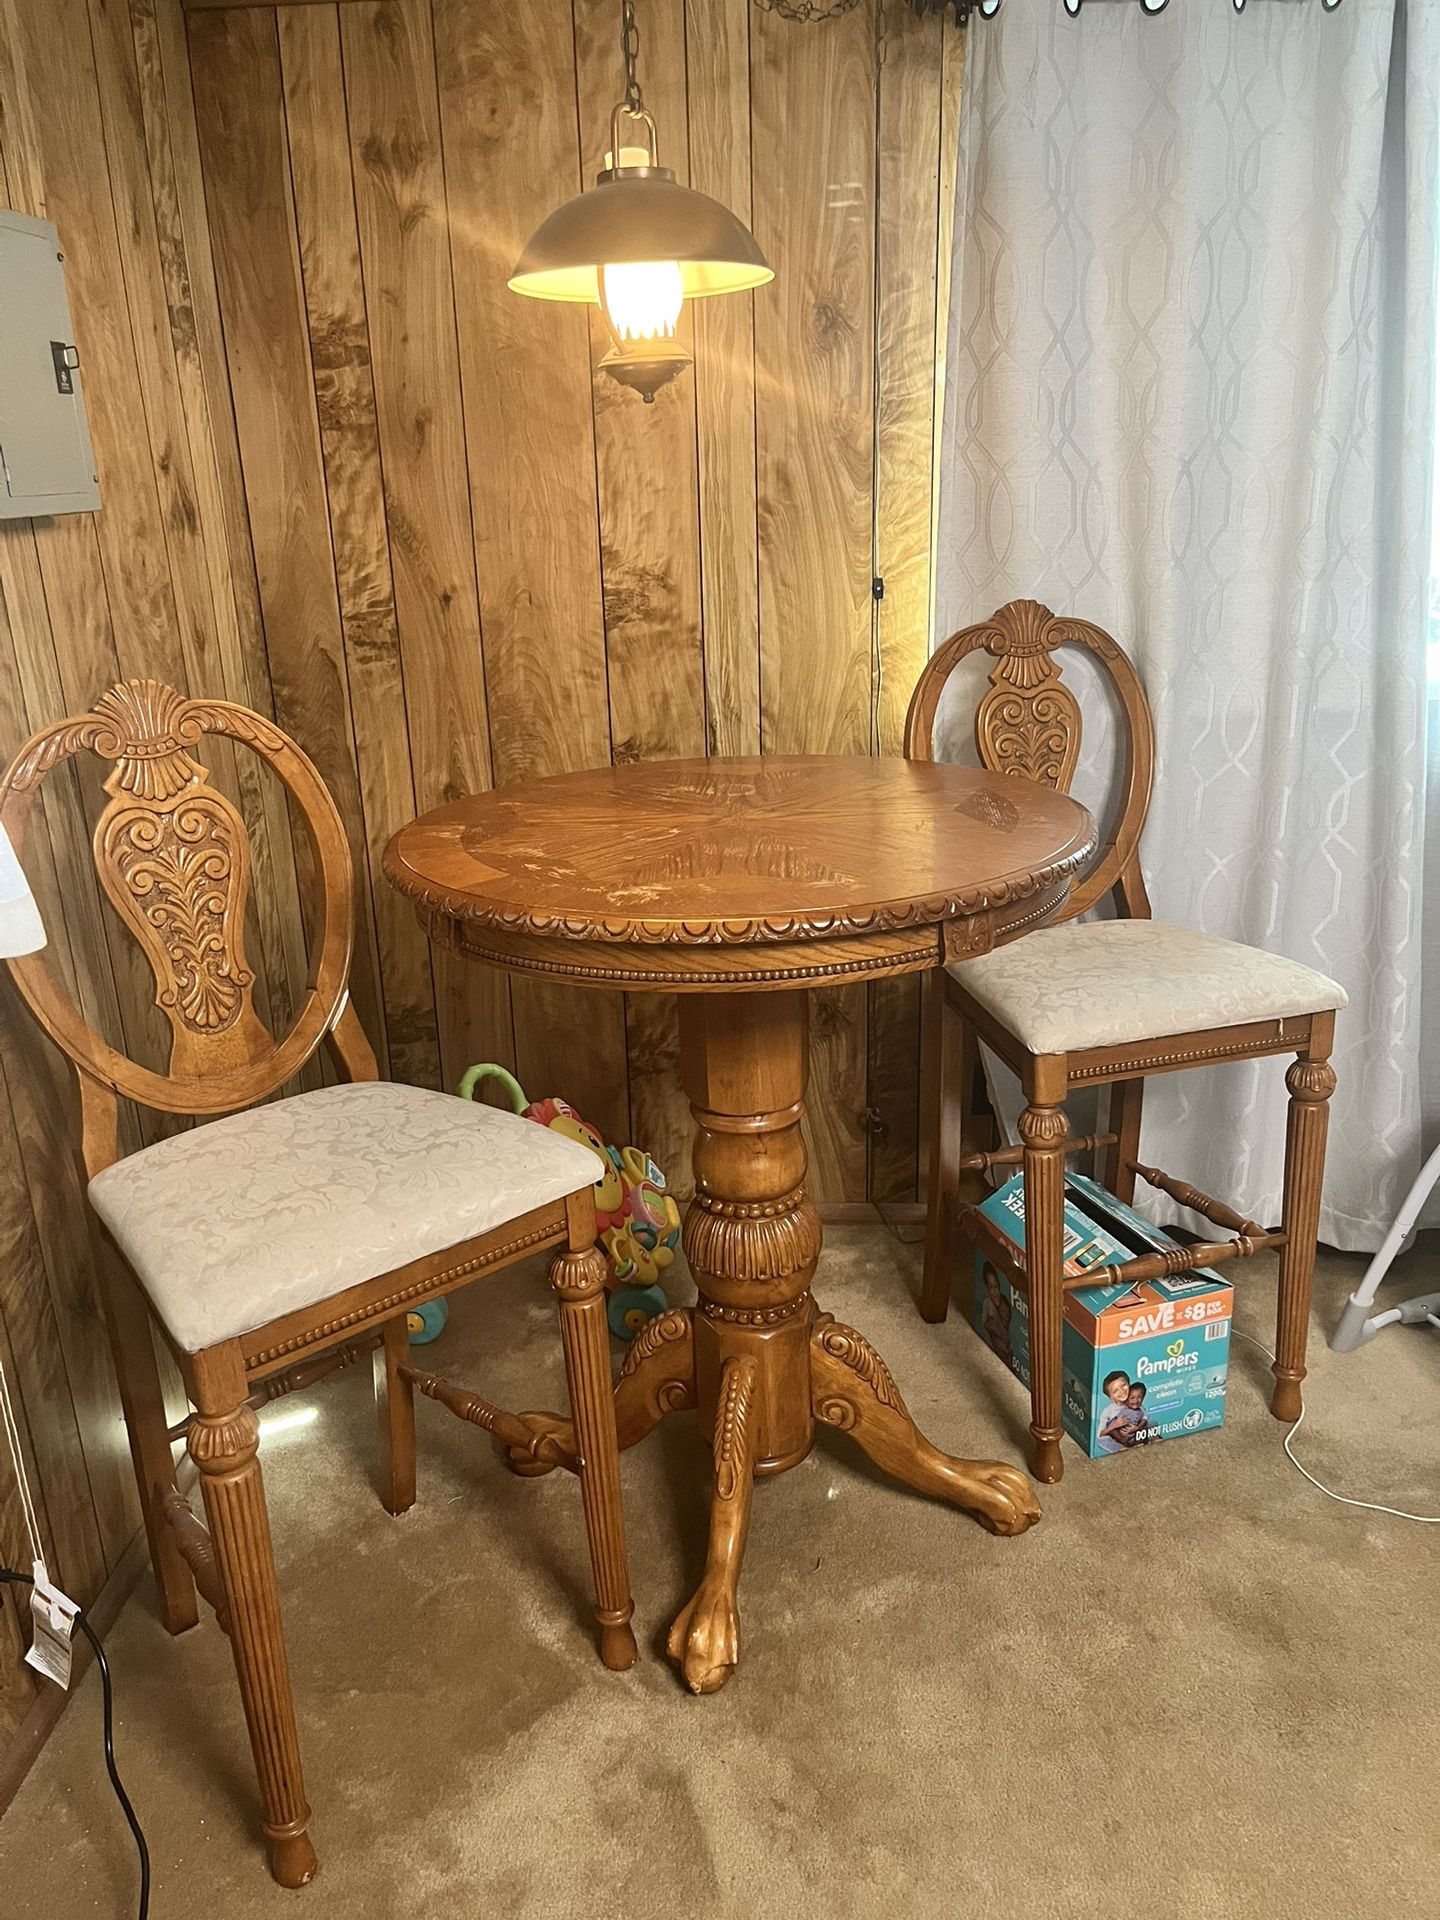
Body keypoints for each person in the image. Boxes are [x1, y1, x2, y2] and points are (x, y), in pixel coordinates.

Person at [1097, 1370, 1145, 1452]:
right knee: (1101, 1440)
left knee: (1152, 1423)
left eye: (1124, 1385)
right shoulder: (1108, 1411)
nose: (1122, 1391)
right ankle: (1122, 1449)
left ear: (1129, 1384)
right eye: (1116, 1391)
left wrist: (1137, 1428)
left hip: (1134, 1435)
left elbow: (1145, 1417)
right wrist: (1114, 1425)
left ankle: (1153, 1439)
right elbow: (1100, 1434)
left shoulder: (1135, 1402)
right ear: (1110, 1397)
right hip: (1118, 1438)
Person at [980, 1263, 1014, 1368]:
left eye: (996, 1287)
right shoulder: (987, 1303)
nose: (994, 1292)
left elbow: (1006, 1330)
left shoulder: (1003, 1302)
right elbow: (984, 1325)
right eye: (991, 1287)